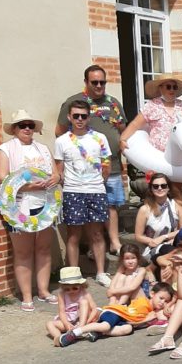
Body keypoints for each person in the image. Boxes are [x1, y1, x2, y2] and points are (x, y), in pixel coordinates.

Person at [56, 64, 127, 254]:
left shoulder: (113, 103)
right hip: (84, 170)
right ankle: (92, 247)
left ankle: (114, 242)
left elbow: (123, 130)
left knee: (111, 205)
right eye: (94, 82)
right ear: (86, 82)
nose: (99, 86)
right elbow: (60, 131)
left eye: (102, 82)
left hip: (111, 164)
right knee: (87, 209)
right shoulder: (74, 103)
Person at [0, 109, 60, 310]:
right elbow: (2, 177)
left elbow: (55, 173)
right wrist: (28, 186)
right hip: (19, 205)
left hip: (44, 203)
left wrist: (55, 178)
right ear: (14, 129)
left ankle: (43, 290)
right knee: (23, 251)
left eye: (30, 125)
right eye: (22, 125)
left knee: (44, 248)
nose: (27, 129)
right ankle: (26, 295)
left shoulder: (43, 149)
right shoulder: (5, 150)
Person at [120, 73, 182, 201]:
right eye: (168, 87)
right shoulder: (152, 105)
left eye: (174, 87)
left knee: (178, 193)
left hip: (176, 158)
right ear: (160, 88)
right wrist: (123, 139)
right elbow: (136, 123)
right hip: (157, 157)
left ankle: (180, 213)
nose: (172, 90)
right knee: (158, 194)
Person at [54, 99, 111, 287]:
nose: (79, 119)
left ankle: (101, 273)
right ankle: (73, 274)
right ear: (69, 117)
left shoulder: (100, 138)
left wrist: (97, 183)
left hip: (96, 190)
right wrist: (70, 185)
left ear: (88, 117)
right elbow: (59, 170)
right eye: (76, 116)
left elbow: (106, 166)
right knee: (73, 235)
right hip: (73, 191)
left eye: (83, 116)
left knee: (97, 234)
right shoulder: (61, 141)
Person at [59, 280, 173, 346]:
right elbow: (132, 319)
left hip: (122, 319)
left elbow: (131, 324)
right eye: (161, 298)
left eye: (166, 301)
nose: (163, 302)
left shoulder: (151, 311)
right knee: (106, 326)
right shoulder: (143, 303)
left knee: (127, 329)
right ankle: (76, 332)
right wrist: (146, 320)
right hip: (116, 312)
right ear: (152, 294)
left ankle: (97, 332)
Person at [134, 173, 182, 264]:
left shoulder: (177, 206)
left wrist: (164, 237)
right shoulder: (144, 209)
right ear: (151, 189)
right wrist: (153, 241)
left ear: (168, 188)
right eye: (155, 186)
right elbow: (138, 236)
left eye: (163, 185)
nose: (160, 188)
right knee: (171, 253)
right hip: (153, 247)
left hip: (174, 243)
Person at [45, 266, 99, 345]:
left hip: (82, 320)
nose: (71, 291)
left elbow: (94, 309)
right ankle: (60, 338)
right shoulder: (61, 294)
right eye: (67, 289)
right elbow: (61, 312)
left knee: (84, 301)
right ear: (63, 287)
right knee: (49, 324)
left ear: (81, 285)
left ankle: (81, 329)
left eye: (75, 288)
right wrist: (66, 324)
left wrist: (87, 322)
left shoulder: (84, 292)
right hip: (69, 320)